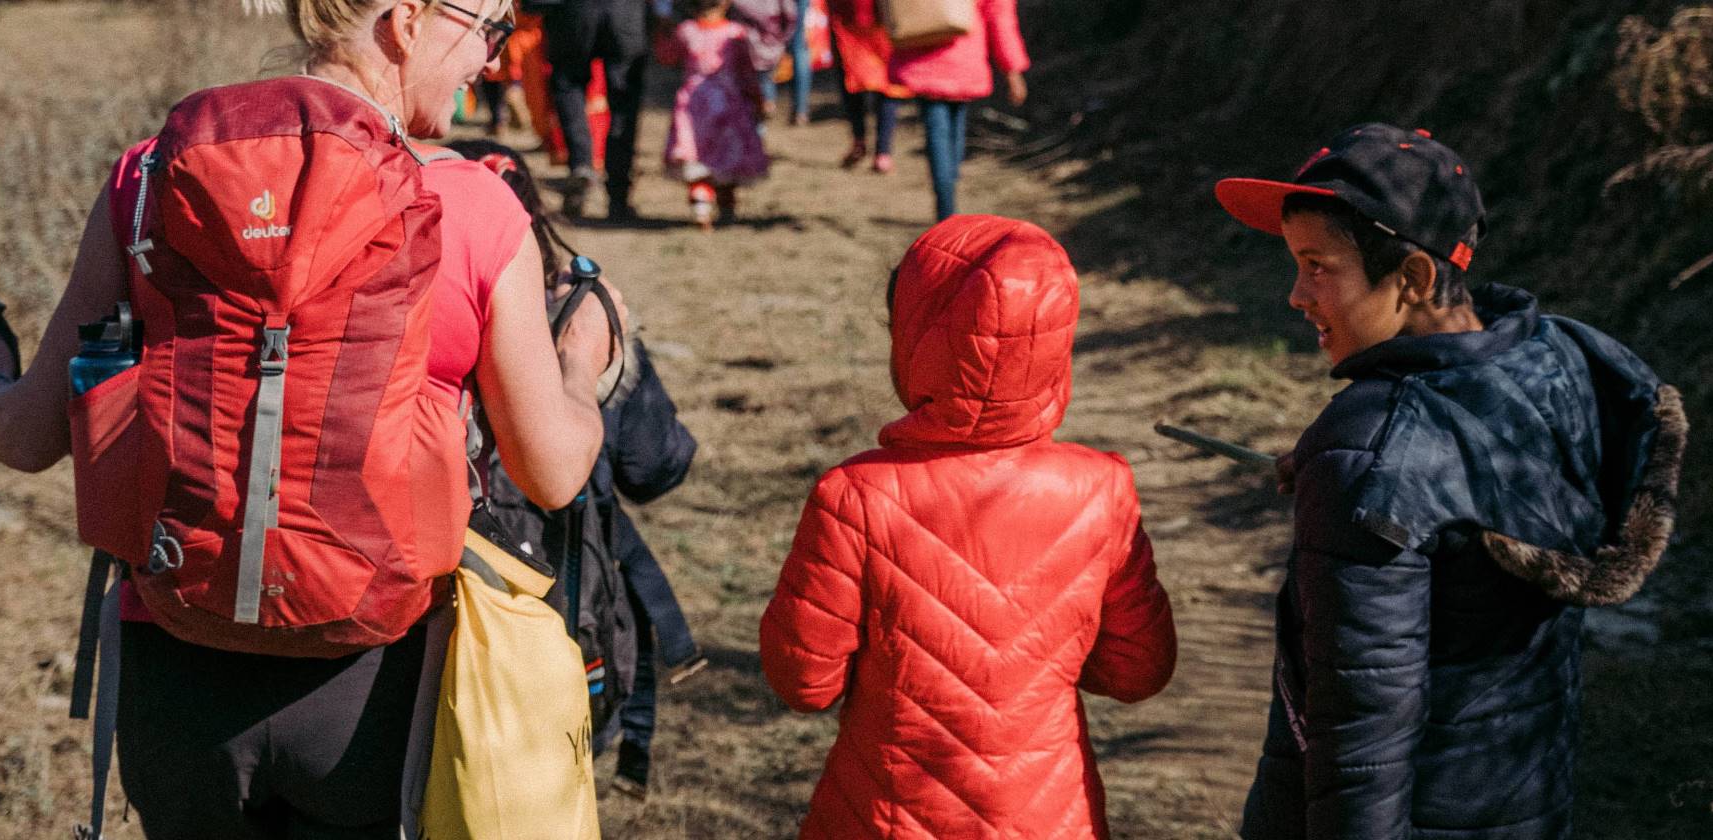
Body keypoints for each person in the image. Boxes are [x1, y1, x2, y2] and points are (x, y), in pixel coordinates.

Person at [0, 1, 624, 836]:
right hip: (371, 683)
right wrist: (581, 360)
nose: (491, 57)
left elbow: (28, 434)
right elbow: (551, 471)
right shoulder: (473, 208)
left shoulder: (150, 178)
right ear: (406, 21)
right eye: (489, 24)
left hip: (173, 667)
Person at [1216, 124, 1688, 840]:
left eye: (1317, 266)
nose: (1295, 295)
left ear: (1413, 279)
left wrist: (1357, 473)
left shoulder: (1378, 449)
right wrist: (1346, 476)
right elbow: (1466, 494)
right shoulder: (1551, 360)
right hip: (1523, 794)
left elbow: (1366, 727)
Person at [759, 214, 1179, 839]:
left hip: (886, 814)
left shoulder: (855, 495)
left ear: (918, 340)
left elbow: (805, 680)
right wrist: (1032, 664)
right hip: (1052, 818)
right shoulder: (1101, 490)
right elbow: (1138, 668)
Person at [449, 138, 709, 799]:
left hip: (439, 637)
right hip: (566, 631)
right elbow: (654, 467)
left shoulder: (417, 324)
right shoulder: (571, 321)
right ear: (534, 219)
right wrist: (611, 351)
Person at [887, 0, 1028, 220]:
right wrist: (1012, 70)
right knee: (950, 133)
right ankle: (947, 204)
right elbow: (999, 17)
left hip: (921, 54)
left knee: (938, 133)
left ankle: (945, 205)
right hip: (964, 58)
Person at [660, 0, 770, 229]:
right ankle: (727, 208)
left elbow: (667, 56)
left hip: (694, 106)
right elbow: (747, 74)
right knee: (727, 161)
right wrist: (758, 100)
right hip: (728, 104)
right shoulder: (735, 33)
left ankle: (701, 209)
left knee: (698, 161)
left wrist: (661, 28)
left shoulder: (686, 31)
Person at [544, 0, 650, 219]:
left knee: (568, 85)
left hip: (572, 12)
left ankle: (581, 165)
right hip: (624, 13)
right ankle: (618, 196)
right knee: (624, 100)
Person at [825, 0, 906, 172]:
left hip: (851, 17)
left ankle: (860, 140)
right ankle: (882, 153)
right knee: (887, 85)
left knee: (853, 80)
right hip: (883, 17)